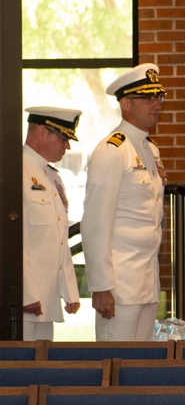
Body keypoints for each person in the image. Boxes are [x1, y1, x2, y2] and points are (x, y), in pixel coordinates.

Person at [81, 63, 167, 341]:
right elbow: (96, 224)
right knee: (114, 369)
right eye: (147, 98)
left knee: (140, 371)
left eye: (159, 97)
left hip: (146, 283)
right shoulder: (112, 150)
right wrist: (101, 287)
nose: (156, 104)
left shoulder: (149, 148)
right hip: (119, 287)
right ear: (126, 103)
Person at [22, 106, 82, 341]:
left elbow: (59, 238)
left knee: (41, 368)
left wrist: (69, 289)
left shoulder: (52, 177)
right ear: (41, 133)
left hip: (46, 299)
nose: (67, 146)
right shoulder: (15, 171)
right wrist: (26, 294)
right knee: (19, 371)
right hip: (26, 301)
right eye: (63, 137)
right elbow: (15, 241)